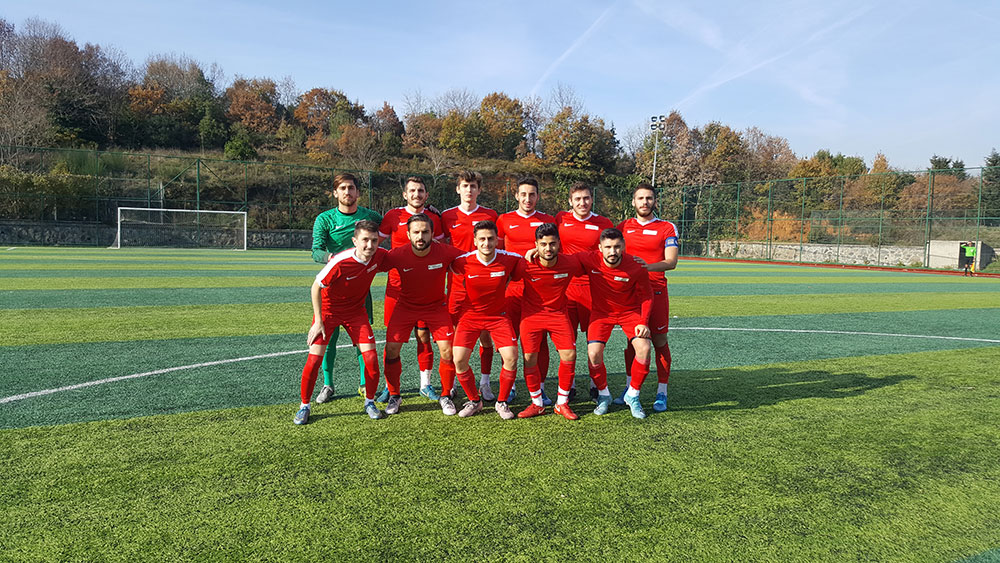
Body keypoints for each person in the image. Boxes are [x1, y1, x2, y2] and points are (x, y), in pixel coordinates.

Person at [295, 220, 387, 425]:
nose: (370, 245)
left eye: (374, 240)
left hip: (356, 312)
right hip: (328, 312)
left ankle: (370, 402)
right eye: (365, 240)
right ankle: (304, 406)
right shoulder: (340, 261)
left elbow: (402, 258)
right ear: (355, 241)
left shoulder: (380, 256)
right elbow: (316, 287)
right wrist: (318, 321)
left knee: (371, 358)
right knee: (314, 360)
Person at [378, 214, 463, 416]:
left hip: (436, 307)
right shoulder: (398, 254)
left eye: (425, 232)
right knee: (391, 349)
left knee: (448, 350)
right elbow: (371, 263)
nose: (420, 236)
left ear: (432, 234)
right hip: (405, 307)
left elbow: (474, 258)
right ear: (408, 234)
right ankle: (394, 395)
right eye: (416, 232)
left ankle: (445, 395)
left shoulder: (445, 251)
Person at [309, 173, 382, 403]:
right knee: (328, 338)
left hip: (359, 288)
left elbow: (394, 224)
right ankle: (328, 384)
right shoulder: (325, 219)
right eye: (342, 188)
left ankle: (363, 384)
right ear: (335, 193)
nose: (347, 192)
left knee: (362, 338)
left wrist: (428, 211)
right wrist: (332, 258)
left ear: (358, 192)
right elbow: (316, 251)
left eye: (351, 188)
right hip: (332, 287)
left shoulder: (370, 216)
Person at [449, 220, 526, 419]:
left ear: (497, 240)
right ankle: (475, 401)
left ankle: (502, 402)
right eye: (482, 239)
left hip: (498, 317)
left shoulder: (509, 258)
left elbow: (524, 260)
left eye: (491, 239)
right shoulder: (462, 261)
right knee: (459, 360)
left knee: (511, 357)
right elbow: (448, 266)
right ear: (475, 241)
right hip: (470, 317)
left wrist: (533, 252)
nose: (486, 243)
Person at [378, 177, 445, 400]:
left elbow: (441, 247)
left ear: (427, 195)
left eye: (421, 191)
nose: (417, 194)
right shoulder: (392, 216)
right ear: (405, 195)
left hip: (425, 290)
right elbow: (375, 243)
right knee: (392, 340)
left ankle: (425, 384)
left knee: (424, 337)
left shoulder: (434, 218)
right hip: (396, 288)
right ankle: (389, 386)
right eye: (412, 191)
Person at [579, 228, 653, 419]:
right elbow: (561, 260)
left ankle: (633, 395)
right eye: (608, 247)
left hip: (629, 313)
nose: (613, 252)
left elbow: (647, 295)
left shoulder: (636, 265)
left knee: (644, 348)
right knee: (593, 353)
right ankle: (604, 395)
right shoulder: (590, 259)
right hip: (601, 314)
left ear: (624, 246)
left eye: (617, 247)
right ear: (600, 248)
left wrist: (644, 321)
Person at [441, 171, 502, 401]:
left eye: (473, 186)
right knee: (455, 338)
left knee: (485, 336)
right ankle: (453, 382)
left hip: (485, 286)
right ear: (458, 189)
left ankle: (485, 382)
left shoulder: (490, 215)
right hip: (456, 286)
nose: (469, 190)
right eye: (465, 186)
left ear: (479, 189)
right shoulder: (447, 216)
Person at [618, 183, 679, 411]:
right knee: (633, 341)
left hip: (656, 290)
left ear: (655, 201)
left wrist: (646, 267)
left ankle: (662, 392)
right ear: (633, 202)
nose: (645, 202)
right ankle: (629, 388)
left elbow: (671, 262)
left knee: (659, 340)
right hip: (630, 293)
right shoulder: (623, 226)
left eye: (649, 198)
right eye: (640, 198)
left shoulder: (666, 228)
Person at [497, 176, 557, 405]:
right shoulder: (504, 220)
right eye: (523, 194)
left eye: (532, 194)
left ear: (538, 196)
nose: (527, 199)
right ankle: (510, 386)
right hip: (513, 289)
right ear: (516, 196)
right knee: (510, 340)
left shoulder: (548, 220)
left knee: (540, 342)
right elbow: (498, 254)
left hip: (540, 292)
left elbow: (555, 251)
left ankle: (540, 388)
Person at [517, 223, 585, 420]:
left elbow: (595, 259)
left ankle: (561, 403)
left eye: (552, 244)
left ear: (559, 244)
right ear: (536, 245)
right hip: (531, 316)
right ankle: (537, 403)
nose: (548, 248)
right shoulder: (524, 263)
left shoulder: (570, 262)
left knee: (569, 354)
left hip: (558, 315)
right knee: (530, 358)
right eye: (543, 244)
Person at [555, 182, 614, 399]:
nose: (582, 203)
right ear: (570, 201)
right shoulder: (560, 219)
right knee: (567, 342)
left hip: (594, 290)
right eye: (578, 199)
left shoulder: (603, 223)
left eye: (586, 198)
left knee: (594, 343)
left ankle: (595, 384)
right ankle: (568, 386)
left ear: (592, 199)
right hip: (567, 289)